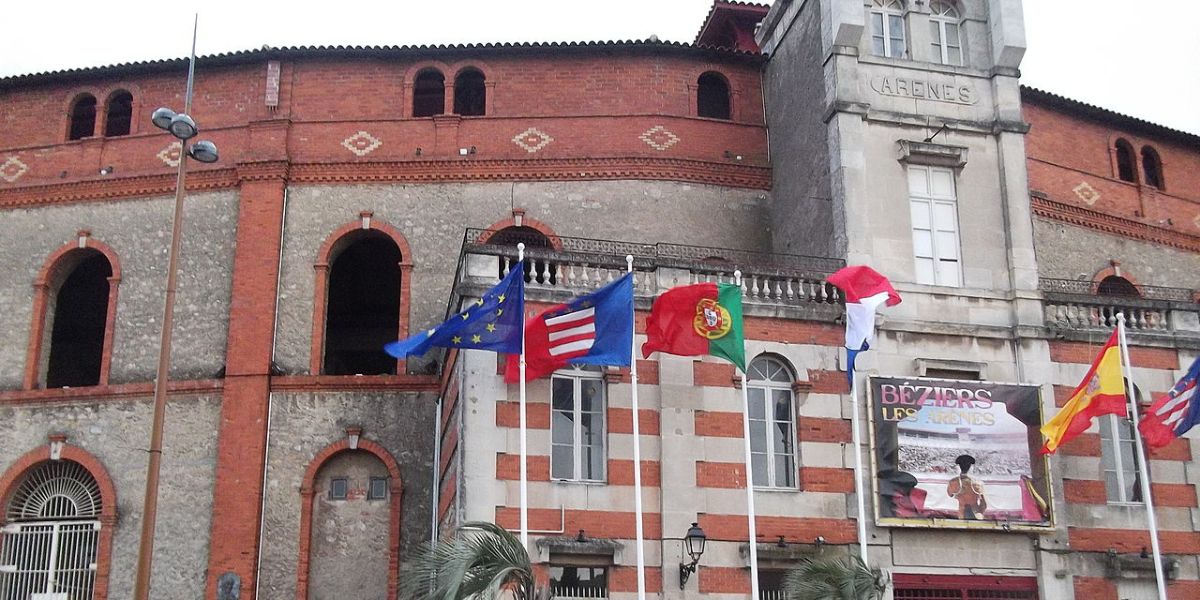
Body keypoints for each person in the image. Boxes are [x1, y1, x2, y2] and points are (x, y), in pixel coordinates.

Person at [946, 454, 987, 519]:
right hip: (976, 515)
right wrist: (979, 513)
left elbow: (949, 495)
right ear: (971, 467)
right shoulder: (978, 483)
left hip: (961, 515)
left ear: (959, 467)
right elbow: (984, 504)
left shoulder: (953, 482)